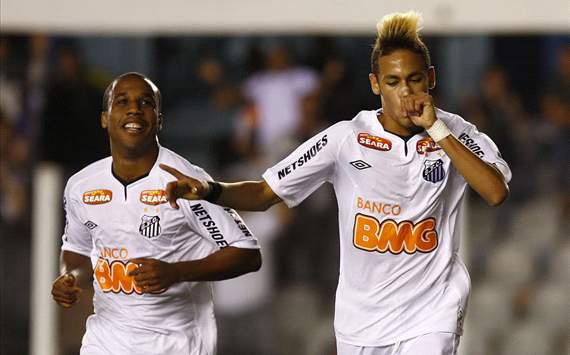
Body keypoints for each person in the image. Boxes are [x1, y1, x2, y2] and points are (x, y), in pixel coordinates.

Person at [161, 11, 511, 355]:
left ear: (430, 78)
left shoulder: (456, 131)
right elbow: (266, 192)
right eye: (392, 82)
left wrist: (439, 131)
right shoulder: (345, 139)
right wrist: (210, 190)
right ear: (375, 84)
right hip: (362, 320)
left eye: (414, 79)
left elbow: (495, 191)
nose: (405, 92)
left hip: (432, 310)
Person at [50, 72, 262, 355]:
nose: (134, 109)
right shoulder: (81, 186)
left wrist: (177, 272)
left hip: (177, 343)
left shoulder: (185, 181)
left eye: (145, 102)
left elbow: (248, 252)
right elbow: (77, 248)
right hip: (106, 340)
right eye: (122, 101)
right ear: (105, 118)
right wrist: (70, 277)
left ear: (159, 119)